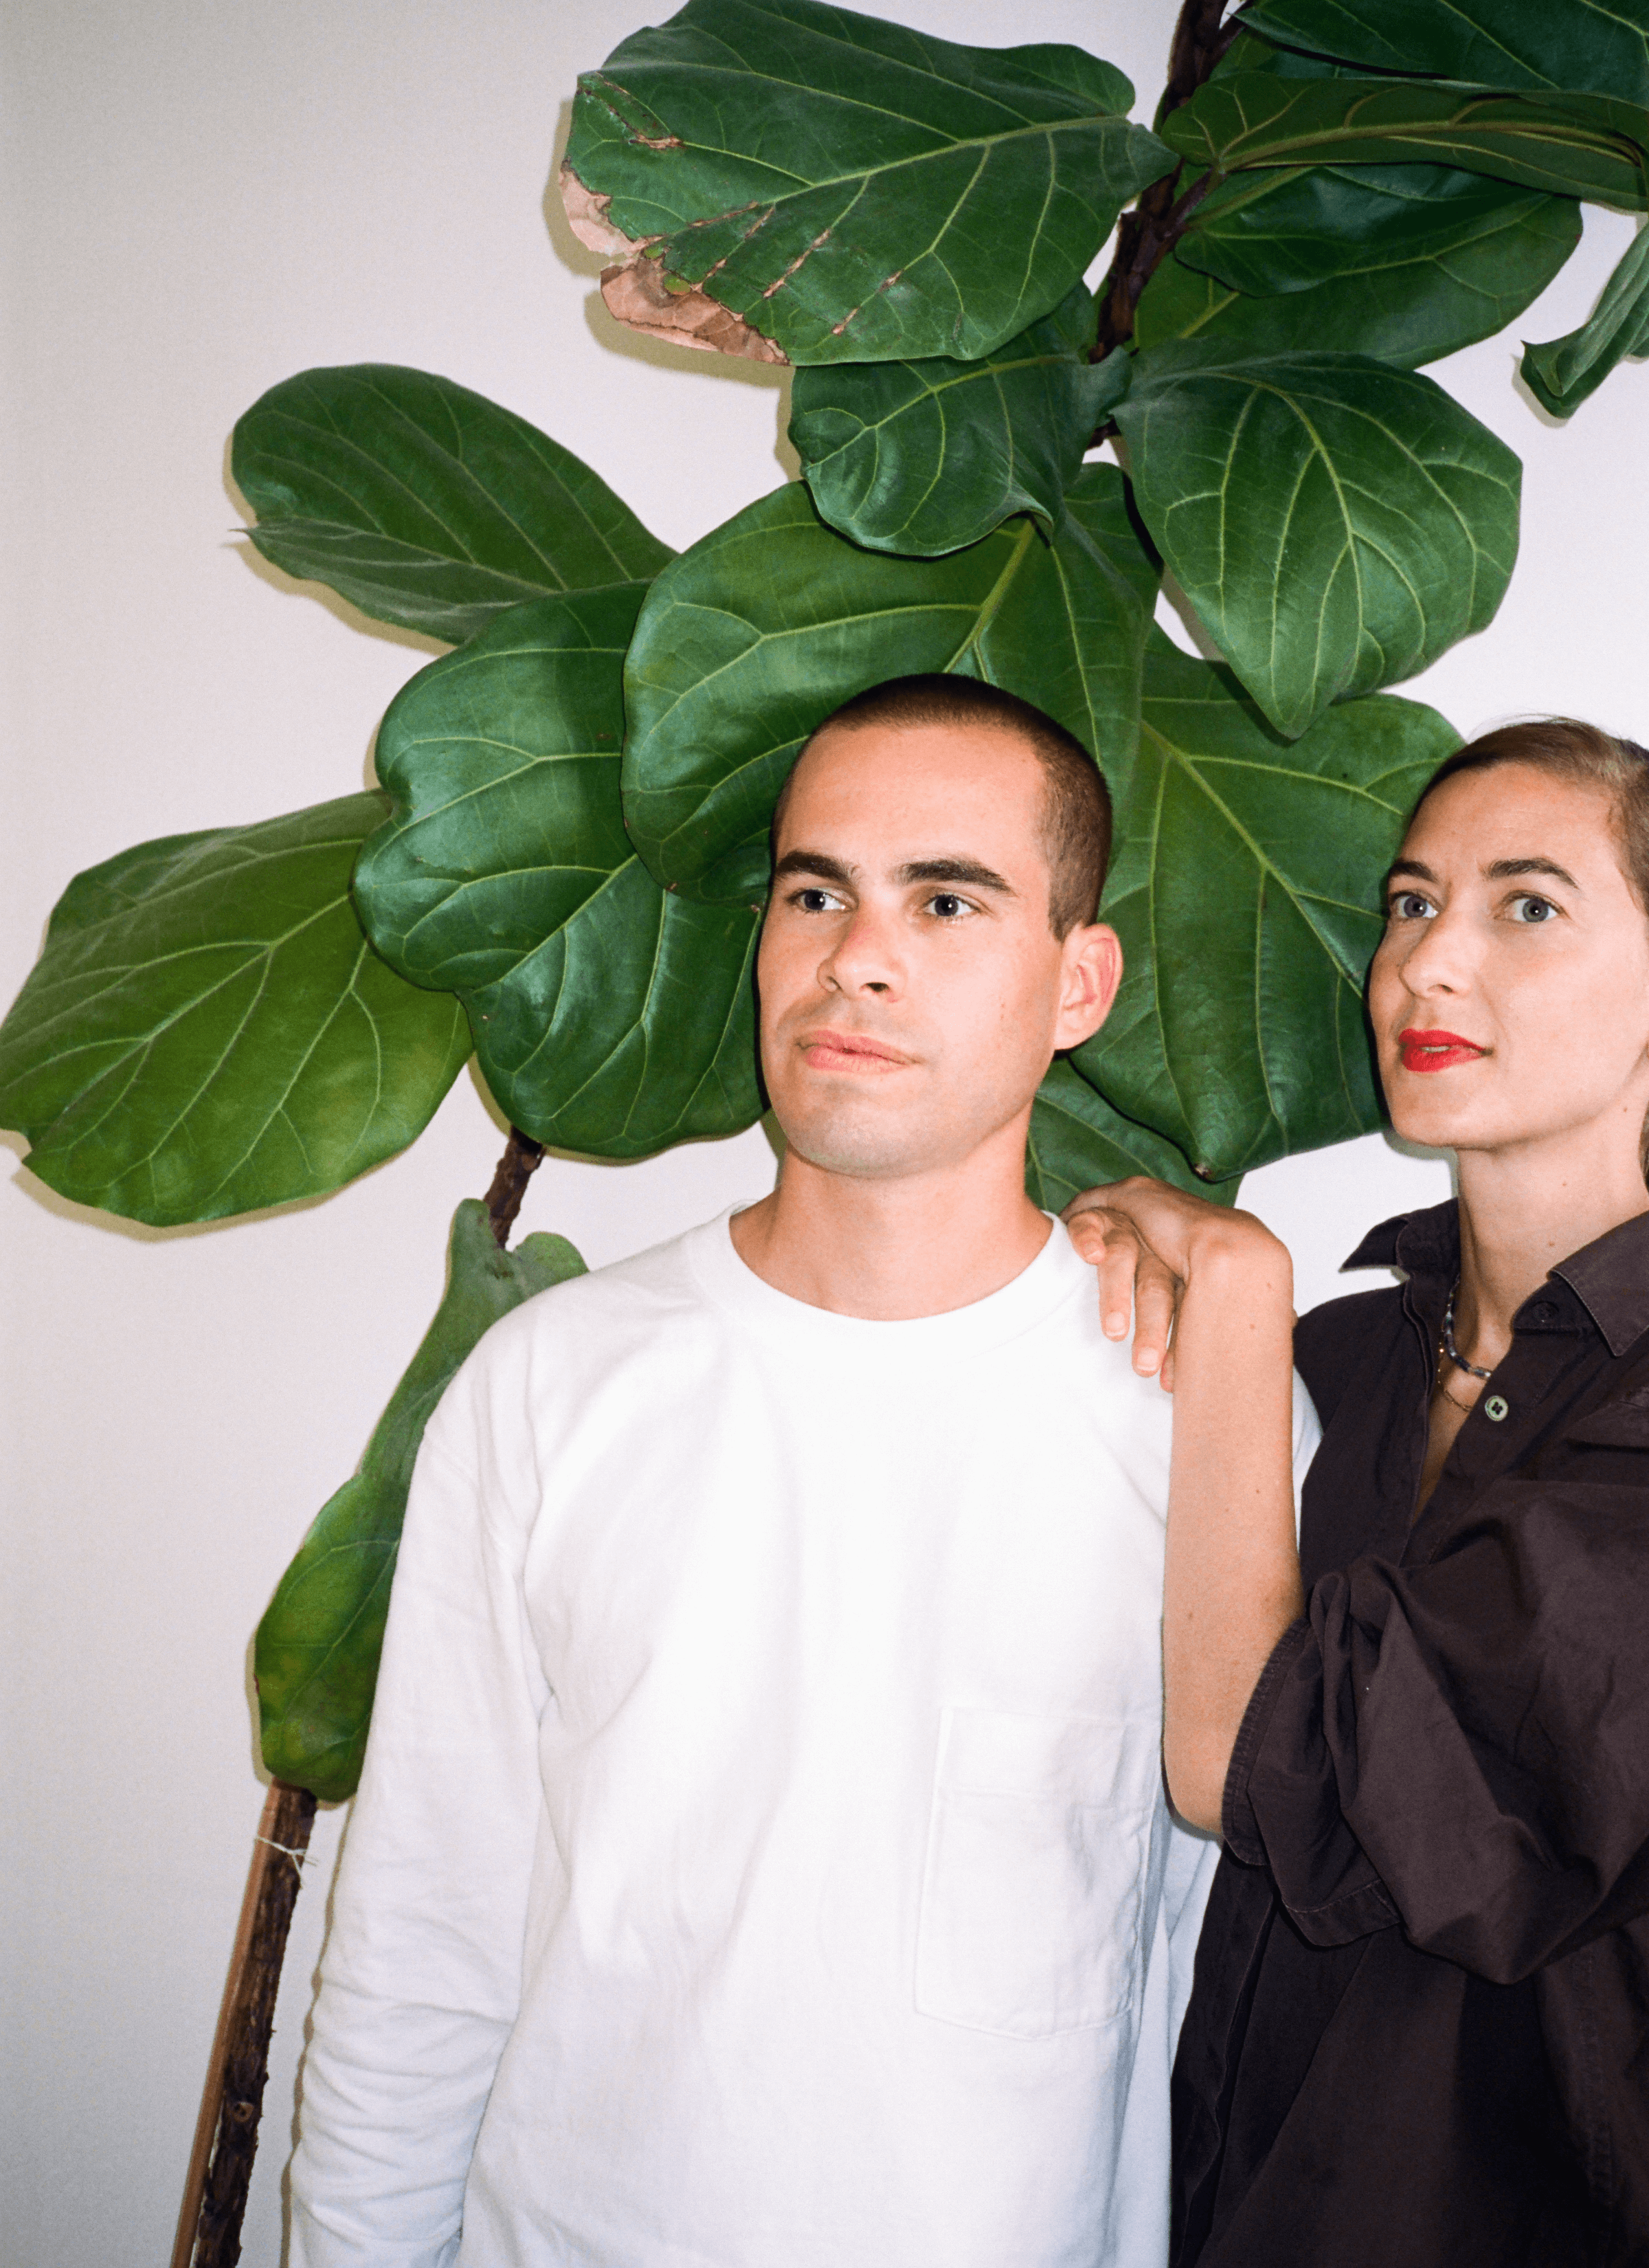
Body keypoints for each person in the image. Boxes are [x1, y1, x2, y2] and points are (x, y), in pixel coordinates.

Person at [288, 672, 1316, 2268]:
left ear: (1080, 981)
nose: (859, 958)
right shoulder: (555, 1384)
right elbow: (422, 1945)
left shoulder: (1208, 1422)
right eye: (814, 890)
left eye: (949, 899)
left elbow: (1210, 1972)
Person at [1071, 718, 1649, 2265]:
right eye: (1409, 903)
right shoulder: (1348, 1356)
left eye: (1527, 907)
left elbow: (1244, 1765)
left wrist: (1237, 1281)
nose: (1427, 966)